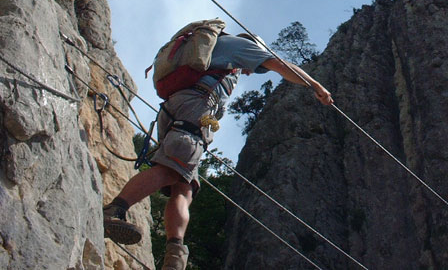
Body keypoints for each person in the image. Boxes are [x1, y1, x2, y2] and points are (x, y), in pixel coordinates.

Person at [102, 32, 333, 270]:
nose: (249, 72)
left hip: (177, 109)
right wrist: (315, 85)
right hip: (195, 109)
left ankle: (174, 255)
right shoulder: (242, 46)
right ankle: (115, 210)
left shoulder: (216, 51)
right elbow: (281, 66)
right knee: (170, 170)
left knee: (184, 186)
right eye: (252, 67)